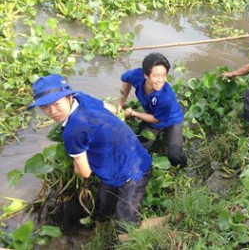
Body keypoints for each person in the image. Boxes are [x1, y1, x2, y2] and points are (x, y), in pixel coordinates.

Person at [27, 74, 155, 237]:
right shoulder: (81, 97)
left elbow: (85, 172)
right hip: (125, 155)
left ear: (68, 97)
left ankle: (131, 235)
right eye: (45, 107)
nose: (52, 112)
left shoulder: (73, 130)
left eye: (56, 104)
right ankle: (102, 225)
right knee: (104, 201)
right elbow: (113, 109)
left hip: (136, 169)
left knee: (126, 218)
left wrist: (76, 165)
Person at [119, 52, 187, 168]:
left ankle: (181, 168)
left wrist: (133, 113)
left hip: (171, 120)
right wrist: (121, 103)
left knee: (174, 155)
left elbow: (157, 120)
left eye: (164, 75)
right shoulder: (137, 75)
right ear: (145, 75)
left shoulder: (166, 97)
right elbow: (126, 80)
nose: (160, 80)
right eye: (156, 75)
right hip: (153, 114)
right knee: (138, 149)